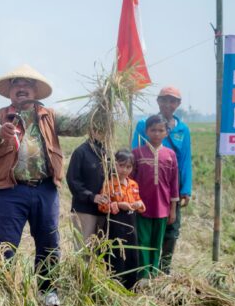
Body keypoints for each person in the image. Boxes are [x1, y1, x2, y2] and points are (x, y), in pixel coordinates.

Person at [0, 64, 90, 306]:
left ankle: (48, 292)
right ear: (10, 91)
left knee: (49, 242)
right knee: (4, 244)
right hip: (10, 190)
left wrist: (103, 105)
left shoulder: (49, 116)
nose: (22, 89)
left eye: (27, 85)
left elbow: (80, 125)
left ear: (35, 90)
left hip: (45, 189)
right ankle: (2, 292)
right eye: (17, 84)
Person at [132, 86, 192, 274]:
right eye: (164, 100)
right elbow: (134, 157)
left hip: (171, 190)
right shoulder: (145, 124)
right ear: (158, 101)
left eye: (172, 101)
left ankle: (163, 271)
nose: (168, 104)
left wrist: (186, 189)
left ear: (178, 104)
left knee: (171, 231)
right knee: (144, 232)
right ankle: (143, 272)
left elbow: (184, 160)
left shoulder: (182, 129)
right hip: (146, 189)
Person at [132, 114, 179, 278]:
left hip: (163, 206)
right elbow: (131, 182)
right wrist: (133, 203)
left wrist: (173, 209)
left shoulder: (170, 155)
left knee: (157, 242)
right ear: (146, 131)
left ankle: (153, 274)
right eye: (153, 130)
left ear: (166, 132)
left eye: (161, 130)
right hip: (141, 206)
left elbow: (174, 184)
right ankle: (143, 275)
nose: (157, 134)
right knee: (143, 241)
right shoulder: (137, 153)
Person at [97, 149, 145, 289]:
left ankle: (130, 286)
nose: (124, 170)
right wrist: (118, 205)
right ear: (114, 164)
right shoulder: (109, 184)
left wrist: (138, 205)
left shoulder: (133, 185)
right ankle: (114, 285)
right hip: (115, 225)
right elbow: (102, 206)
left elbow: (139, 202)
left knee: (131, 253)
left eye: (128, 167)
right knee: (117, 254)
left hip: (131, 224)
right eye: (121, 165)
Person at [66, 131, 111, 242]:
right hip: (85, 210)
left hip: (105, 210)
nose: (103, 132)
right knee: (83, 250)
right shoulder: (81, 152)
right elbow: (72, 180)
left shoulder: (107, 152)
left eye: (105, 129)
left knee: (100, 250)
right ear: (91, 130)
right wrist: (91, 196)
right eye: (99, 129)